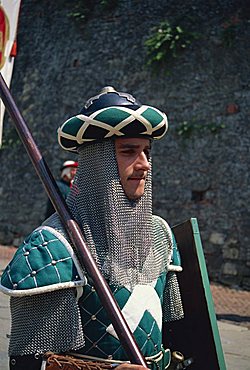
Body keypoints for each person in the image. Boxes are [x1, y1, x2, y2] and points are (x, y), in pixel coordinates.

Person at [0, 87, 184, 370]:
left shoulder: (160, 235)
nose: (145, 164)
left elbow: (176, 335)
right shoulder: (54, 246)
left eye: (147, 151)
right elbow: (29, 363)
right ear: (99, 162)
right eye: (129, 151)